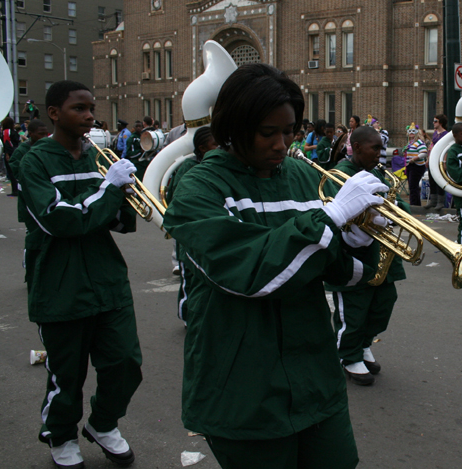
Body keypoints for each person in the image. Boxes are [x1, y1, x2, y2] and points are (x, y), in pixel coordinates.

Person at [163, 63, 385, 469]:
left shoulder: (303, 176)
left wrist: (358, 238)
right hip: (242, 387)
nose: (283, 144)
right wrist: (330, 219)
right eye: (269, 133)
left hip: (315, 378)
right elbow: (250, 273)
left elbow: (345, 276)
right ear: (234, 126)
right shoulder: (197, 188)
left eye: (290, 131)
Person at [20, 80, 142, 468]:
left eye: (91, 108)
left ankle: (103, 425)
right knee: (66, 375)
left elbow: (118, 224)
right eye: (80, 108)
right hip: (60, 283)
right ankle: (60, 436)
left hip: (107, 280)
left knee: (125, 363)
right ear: (54, 113)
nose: (90, 116)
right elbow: (61, 221)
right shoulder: (33, 161)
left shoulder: (96, 158)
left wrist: (126, 195)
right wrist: (109, 190)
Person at [325, 126, 406, 386]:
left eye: (382, 149)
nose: (380, 155)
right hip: (353, 254)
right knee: (354, 310)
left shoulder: (376, 173)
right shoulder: (339, 175)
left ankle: (362, 344)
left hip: (381, 254)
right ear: (357, 147)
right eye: (375, 148)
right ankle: (347, 355)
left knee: (383, 303)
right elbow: (334, 210)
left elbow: (398, 205)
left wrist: (395, 209)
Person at [166, 126, 218, 322]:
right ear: (203, 148)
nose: (220, 148)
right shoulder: (188, 168)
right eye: (216, 145)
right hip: (189, 234)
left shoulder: (217, 166)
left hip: (207, 233)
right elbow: (175, 200)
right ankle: (188, 315)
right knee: (189, 279)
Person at [9, 118, 48, 290]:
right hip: (29, 202)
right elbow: (15, 168)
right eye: (40, 134)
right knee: (33, 240)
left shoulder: (46, 148)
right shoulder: (23, 150)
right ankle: (31, 276)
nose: (43, 137)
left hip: (43, 199)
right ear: (30, 134)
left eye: (45, 134)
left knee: (45, 238)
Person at [425, 114, 449, 210]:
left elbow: (447, 148)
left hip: (440, 159)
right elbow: (432, 146)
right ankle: (433, 201)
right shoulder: (435, 133)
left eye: (436, 121)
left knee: (439, 180)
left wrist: (444, 161)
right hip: (433, 159)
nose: (433, 123)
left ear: (441, 123)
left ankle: (440, 202)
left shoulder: (446, 134)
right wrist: (428, 159)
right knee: (432, 180)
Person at [403, 122, 428, 207]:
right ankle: (415, 203)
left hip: (417, 166)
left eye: (413, 131)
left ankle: (414, 204)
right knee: (412, 186)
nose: (411, 133)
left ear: (417, 132)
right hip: (410, 166)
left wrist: (414, 159)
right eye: (409, 131)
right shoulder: (410, 143)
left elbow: (424, 153)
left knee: (413, 186)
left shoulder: (419, 142)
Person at [1, 115, 21, 196]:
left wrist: (7, 154)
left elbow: (7, 143)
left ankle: (15, 190)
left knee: (11, 171)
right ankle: (18, 189)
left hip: (10, 152)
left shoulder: (6, 132)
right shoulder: (14, 131)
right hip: (16, 151)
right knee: (16, 171)